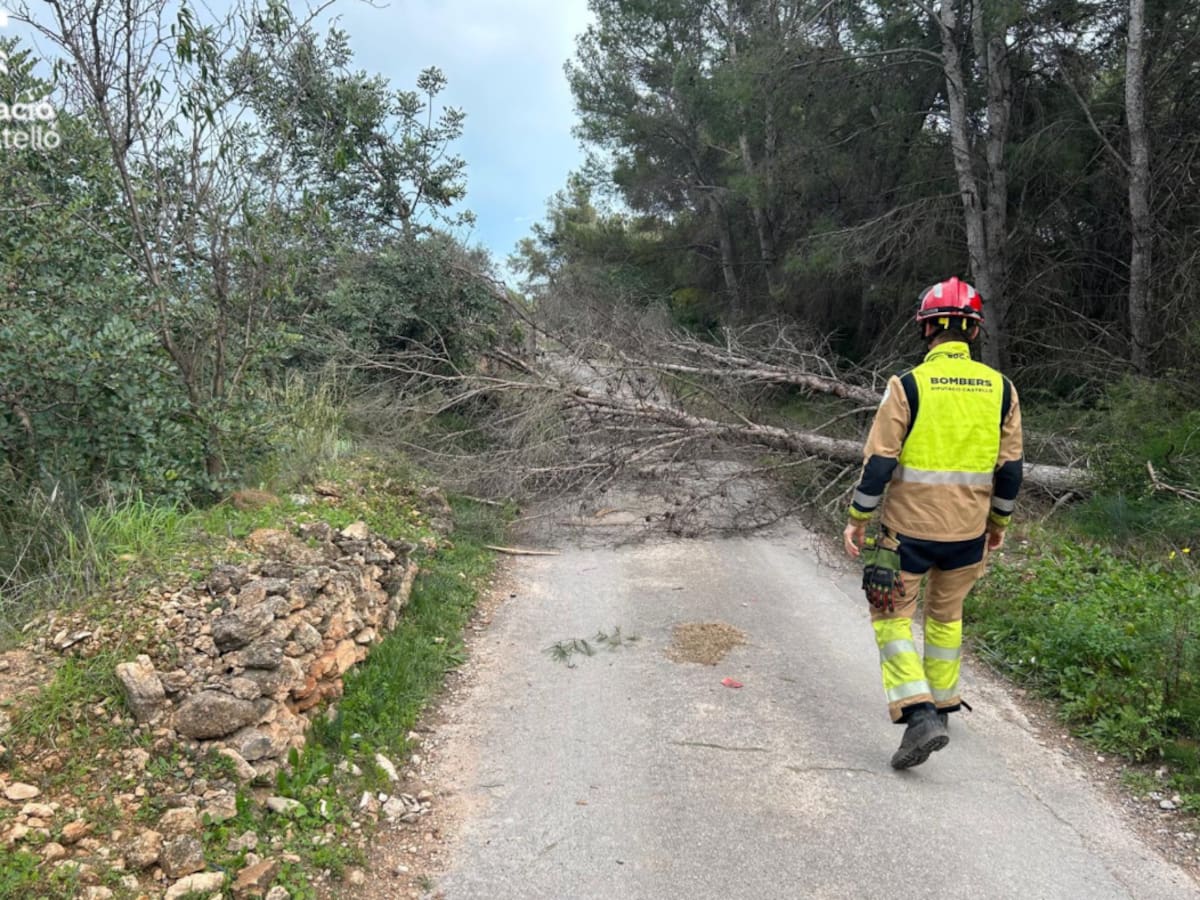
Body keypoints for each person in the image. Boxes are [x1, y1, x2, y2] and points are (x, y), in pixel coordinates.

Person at [842, 277, 1023, 769]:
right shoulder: (1002, 389)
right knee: (946, 616)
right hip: (968, 535)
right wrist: (998, 525)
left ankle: (919, 714)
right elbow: (1010, 471)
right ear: (974, 332)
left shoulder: (907, 386)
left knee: (891, 618)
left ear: (926, 330)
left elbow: (880, 461)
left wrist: (858, 517)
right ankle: (942, 706)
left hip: (907, 535)